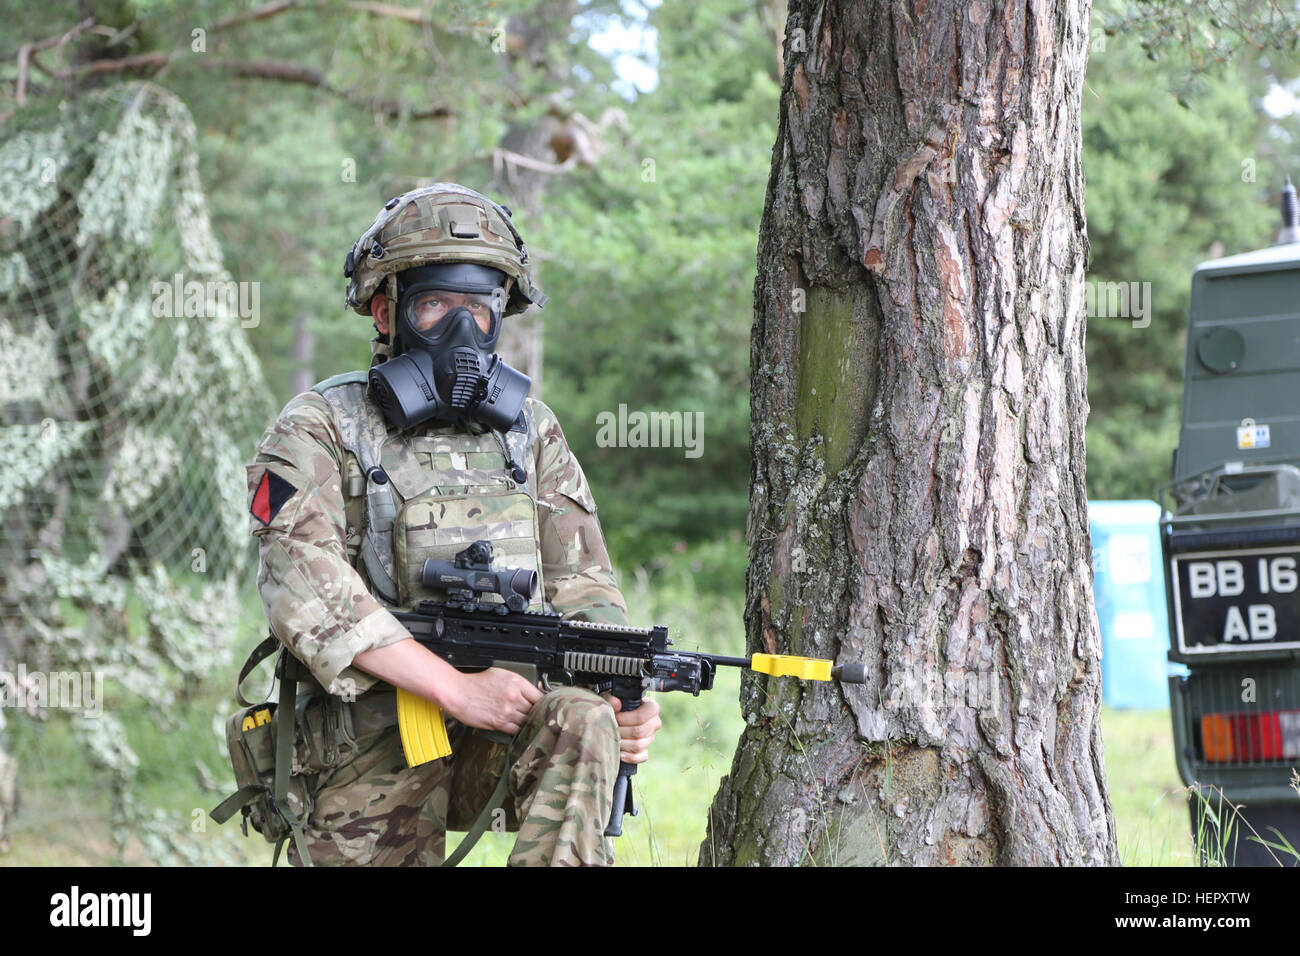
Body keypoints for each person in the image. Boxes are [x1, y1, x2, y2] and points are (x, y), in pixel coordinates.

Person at [245, 183, 661, 866]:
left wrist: (623, 691)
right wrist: (457, 690)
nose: (461, 333)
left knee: (584, 719)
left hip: (498, 727)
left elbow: (584, 585)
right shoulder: (317, 427)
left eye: (480, 309)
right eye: (436, 306)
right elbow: (307, 591)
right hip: (368, 741)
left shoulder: (529, 431)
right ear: (387, 311)